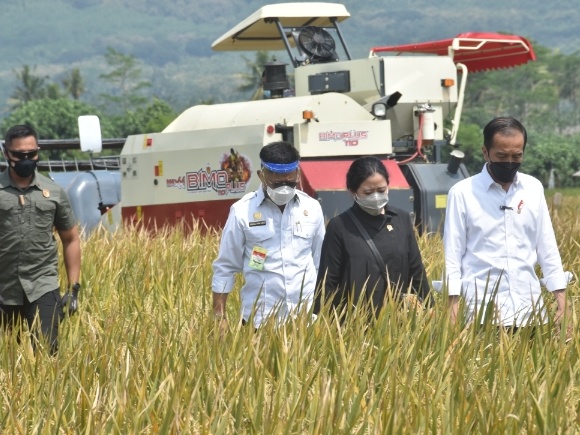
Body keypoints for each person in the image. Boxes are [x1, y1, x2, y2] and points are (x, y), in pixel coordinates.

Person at [443, 117, 570, 329]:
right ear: (486, 152)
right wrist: (453, 308)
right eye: (501, 156)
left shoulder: (533, 188)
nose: (509, 161)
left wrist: (562, 300)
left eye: (516, 155)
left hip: (529, 313)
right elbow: (452, 256)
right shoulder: (462, 193)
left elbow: (546, 246)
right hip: (481, 315)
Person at [212, 141, 325, 330]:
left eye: (289, 182)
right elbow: (226, 267)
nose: (284, 188)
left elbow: (320, 262)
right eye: (277, 182)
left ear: (297, 174)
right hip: (259, 322)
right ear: (261, 175)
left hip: (305, 323)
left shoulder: (312, 208)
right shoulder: (242, 211)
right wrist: (219, 317)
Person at [314, 156, 430, 317]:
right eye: (368, 192)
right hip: (354, 322)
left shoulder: (401, 219)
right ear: (353, 192)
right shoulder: (340, 227)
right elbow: (328, 281)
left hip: (399, 320)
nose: (376, 196)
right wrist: (322, 320)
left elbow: (416, 270)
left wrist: (429, 306)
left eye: (381, 190)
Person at [0, 124, 81, 354]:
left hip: (42, 285)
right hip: (3, 289)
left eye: (31, 154)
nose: (26, 159)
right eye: (19, 155)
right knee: (6, 361)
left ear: (38, 151)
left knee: (47, 355)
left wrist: (73, 289)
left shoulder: (53, 192)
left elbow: (71, 238)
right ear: (6, 153)